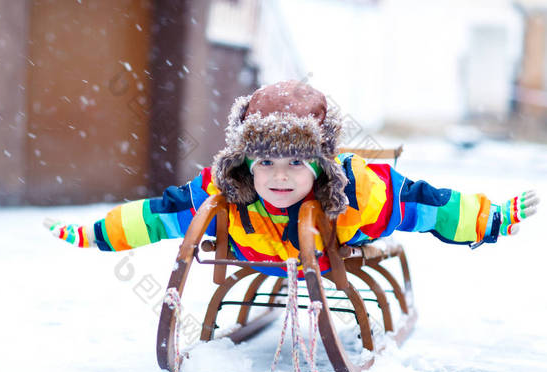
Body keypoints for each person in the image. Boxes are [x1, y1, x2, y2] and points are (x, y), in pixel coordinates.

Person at [44, 80, 539, 277]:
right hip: (263, 259)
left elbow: (428, 204)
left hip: (323, 256)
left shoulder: (360, 195)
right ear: (244, 164)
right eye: (264, 163)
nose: (279, 176)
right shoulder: (223, 195)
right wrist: (98, 234)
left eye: (296, 164)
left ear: (322, 166)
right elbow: (161, 214)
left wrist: (490, 219)